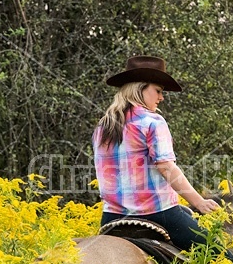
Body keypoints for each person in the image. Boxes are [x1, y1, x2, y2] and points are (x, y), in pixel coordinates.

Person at [93, 55, 223, 253]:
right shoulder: (152, 122)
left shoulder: (102, 127)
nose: (161, 97)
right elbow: (165, 167)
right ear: (140, 88)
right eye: (158, 91)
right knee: (222, 258)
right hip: (156, 212)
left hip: (112, 216)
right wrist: (199, 202)